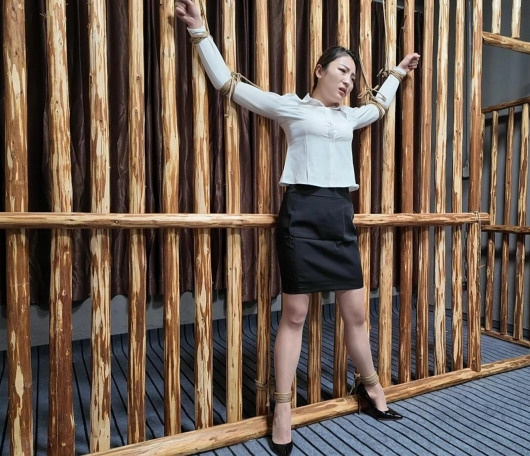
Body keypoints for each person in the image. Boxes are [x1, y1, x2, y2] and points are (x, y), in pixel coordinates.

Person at [175, 1, 420, 454]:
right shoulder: (291, 107)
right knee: (294, 315)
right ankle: (283, 408)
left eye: (353, 76)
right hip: (301, 214)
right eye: (342, 70)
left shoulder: (350, 116)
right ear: (319, 70)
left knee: (356, 314)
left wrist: (398, 74)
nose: (348, 81)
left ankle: (370, 388)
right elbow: (229, 84)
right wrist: (199, 32)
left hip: (340, 215)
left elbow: (380, 105)